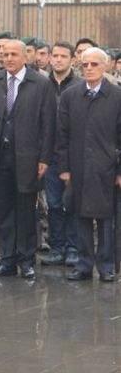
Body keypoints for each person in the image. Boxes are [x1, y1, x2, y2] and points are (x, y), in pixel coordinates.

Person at [0, 40, 55, 280]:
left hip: (27, 158)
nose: (9, 58)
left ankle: (26, 261)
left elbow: (48, 124)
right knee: (3, 212)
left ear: (25, 56)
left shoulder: (40, 83)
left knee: (25, 211)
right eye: (5, 54)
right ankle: (7, 260)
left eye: (14, 54)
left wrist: (44, 157)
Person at [57, 47, 121, 282]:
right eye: (85, 65)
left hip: (106, 169)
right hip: (78, 167)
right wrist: (64, 168)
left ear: (105, 66)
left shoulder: (116, 96)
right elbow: (61, 135)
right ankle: (84, 265)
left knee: (106, 219)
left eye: (95, 64)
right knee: (80, 216)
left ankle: (106, 266)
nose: (90, 69)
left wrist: (119, 171)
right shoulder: (70, 96)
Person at [38, 42, 82, 268]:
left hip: (74, 155)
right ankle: (57, 247)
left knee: (72, 202)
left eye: (63, 56)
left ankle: (74, 248)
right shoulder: (42, 84)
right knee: (53, 204)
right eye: (54, 55)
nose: (57, 60)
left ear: (72, 59)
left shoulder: (80, 85)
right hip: (49, 154)